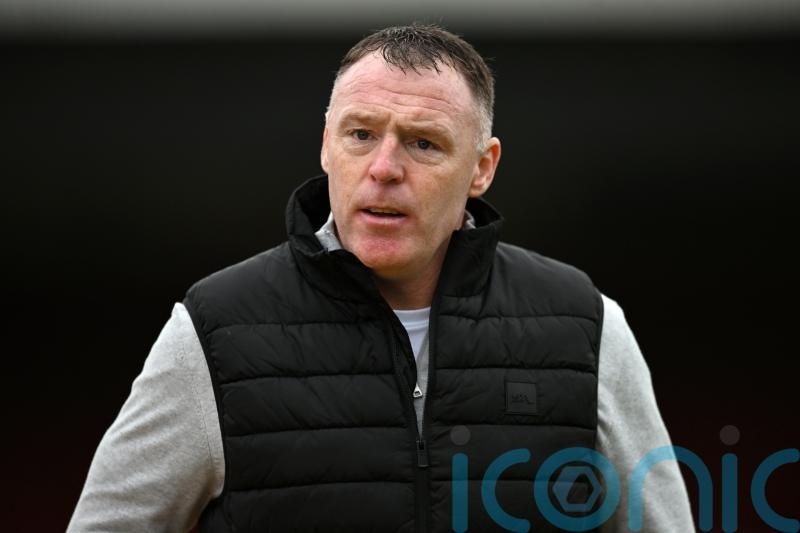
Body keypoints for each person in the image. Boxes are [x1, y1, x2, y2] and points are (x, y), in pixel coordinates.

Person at [68, 23, 694, 532]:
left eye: (423, 143)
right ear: (326, 145)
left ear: (482, 168)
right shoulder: (212, 332)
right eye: (362, 134)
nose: (384, 167)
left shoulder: (588, 327)